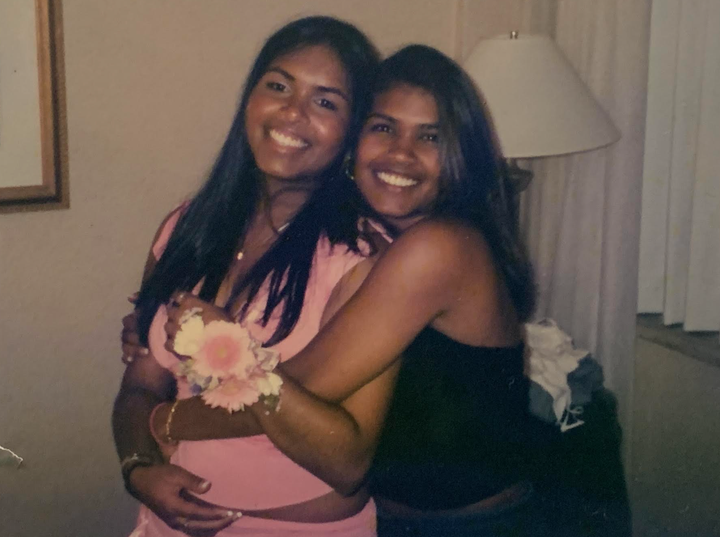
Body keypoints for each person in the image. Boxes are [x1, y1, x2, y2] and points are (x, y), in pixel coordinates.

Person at [123, 44, 540, 536]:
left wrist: (165, 423)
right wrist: (150, 332)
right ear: (352, 145)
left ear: (462, 157)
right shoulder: (376, 240)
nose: (400, 153)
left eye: (430, 136)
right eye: (383, 127)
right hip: (399, 513)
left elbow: (301, 384)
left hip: (467, 524)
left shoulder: (438, 247)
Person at [113, 16, 386, 536]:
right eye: (279, 86)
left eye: (325, 101)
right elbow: (141, 385)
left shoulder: (362, 260)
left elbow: (347, 465)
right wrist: (139, 469)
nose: (292, 111)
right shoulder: (185, 227)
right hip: (166, 523)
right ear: (249, 99)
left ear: (352, 132)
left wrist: (232, 352)